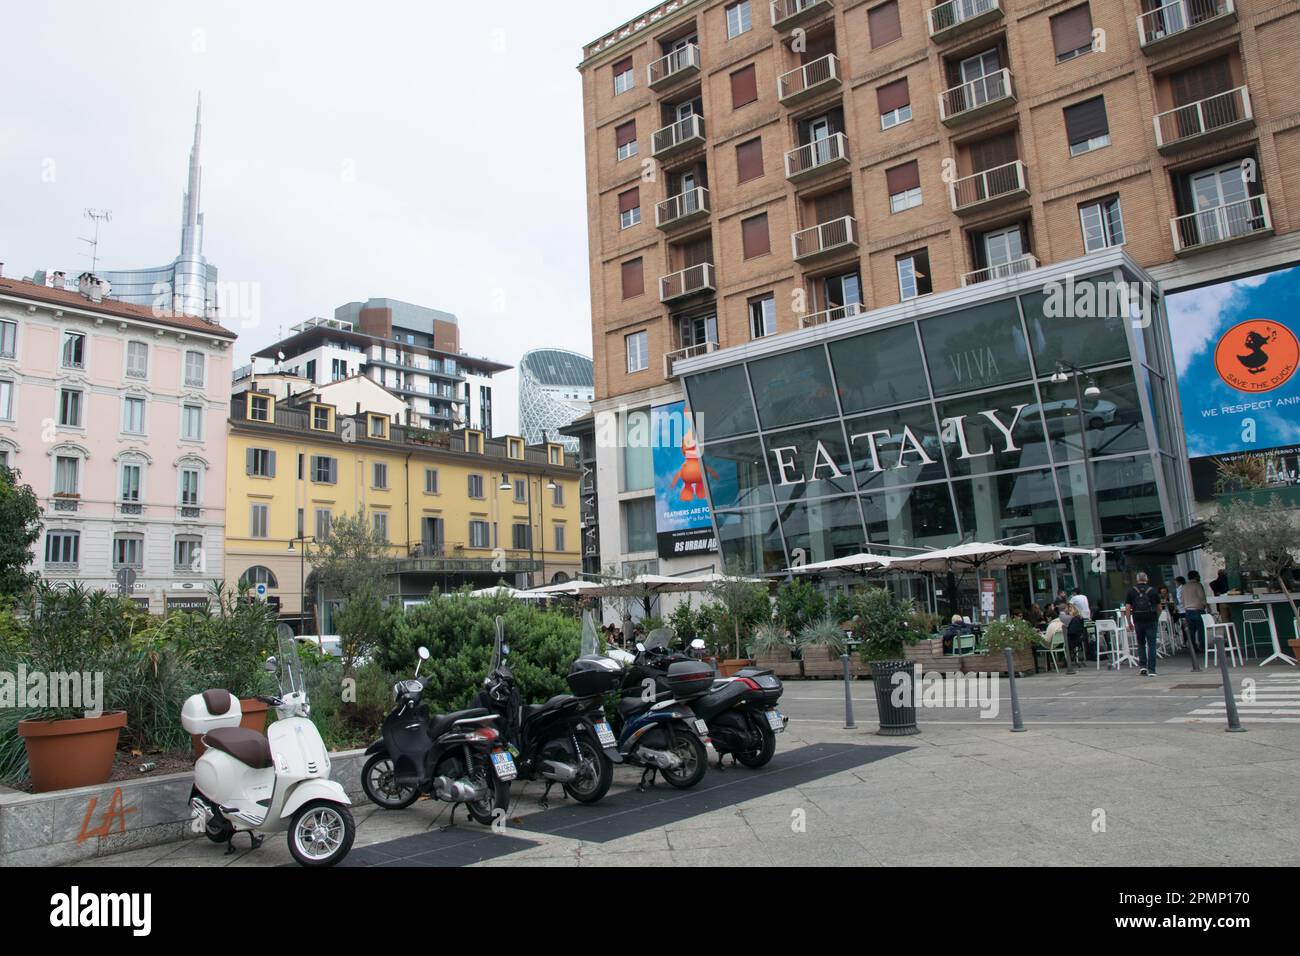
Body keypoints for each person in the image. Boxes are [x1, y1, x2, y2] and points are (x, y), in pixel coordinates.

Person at [1124, 571, 1161, 676]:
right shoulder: (1153, 590)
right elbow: (1159, 608)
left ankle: (1143, 667)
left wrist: (1129, 622)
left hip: (1138, 619)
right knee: (1152, 644)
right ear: (1146, 579)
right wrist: (1156, 617)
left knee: (1140, 643)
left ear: (1137, 579)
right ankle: (1152, 670)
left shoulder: (1131, 591)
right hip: (1151, 619)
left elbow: (1127, 608)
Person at [1182, 570, 1208, 654]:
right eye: (1198, 575)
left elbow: (1182, 599)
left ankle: (1193, 647)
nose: (1199, 577)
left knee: (1191, 630)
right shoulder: (1198, 585)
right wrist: (1205, 606)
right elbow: (1202, 597)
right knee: (1201, 629)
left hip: (1188, 611)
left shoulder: (1184, 586)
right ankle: (1203, 646)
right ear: (1196, 576)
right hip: (1197, 610)